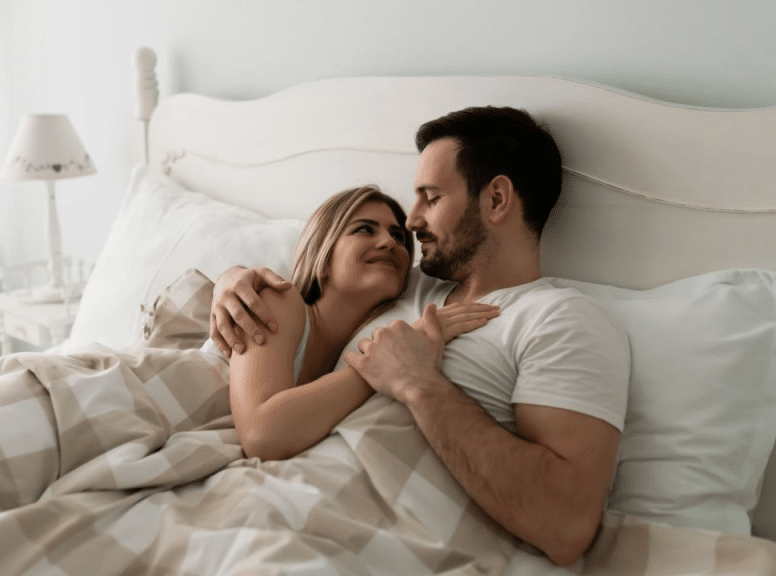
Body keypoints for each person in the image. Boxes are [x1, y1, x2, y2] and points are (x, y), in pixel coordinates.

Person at [209, 106, 630, 566]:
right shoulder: (401, 282)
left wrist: (418, 383)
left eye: (430, 198)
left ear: (496, 200)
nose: (409, 223)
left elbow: (566, 525)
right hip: (262, 503)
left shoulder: (560, 320)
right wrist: (232, 280)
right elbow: (312, 286)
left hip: (347, 544)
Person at [218, 185, 499, 462]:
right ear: (323, 254)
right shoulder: (279, 302)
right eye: (364, 229)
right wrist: (383, 365)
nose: (389, 242)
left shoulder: (345, 350)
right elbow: (261, 436)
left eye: (398, 236)